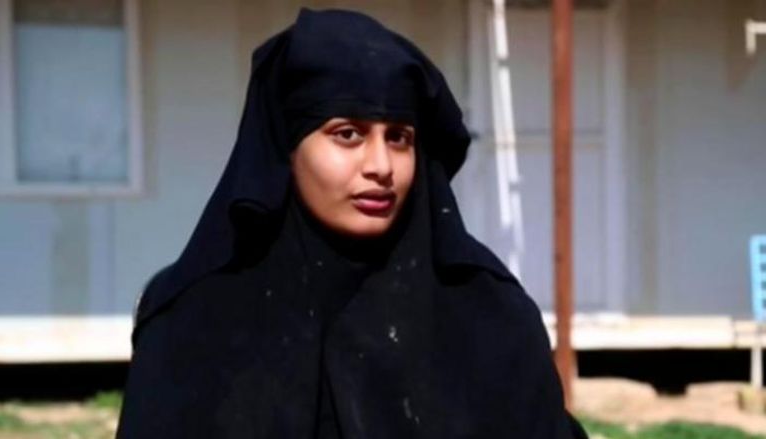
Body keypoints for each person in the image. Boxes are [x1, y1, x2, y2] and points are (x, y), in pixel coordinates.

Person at [116, 8, 589, 439]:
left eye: (399, 138)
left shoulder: (490, 316)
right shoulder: (195, 320)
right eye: (347, 134)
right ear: (286, 148)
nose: (380, 166)